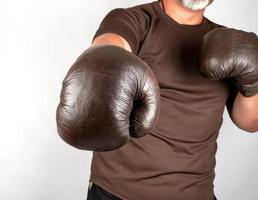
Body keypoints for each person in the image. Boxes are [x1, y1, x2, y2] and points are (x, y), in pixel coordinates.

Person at [56, 0, 258, 199]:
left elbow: (250, 122)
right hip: (118, 193)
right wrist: (104, 58)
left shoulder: (226, 43)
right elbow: (110, 45)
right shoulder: (135, 21)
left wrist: (253, 82)